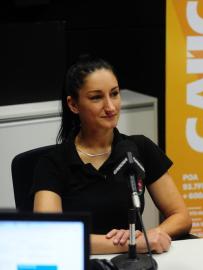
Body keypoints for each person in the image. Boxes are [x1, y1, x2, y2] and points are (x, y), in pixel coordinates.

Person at [32, 55, 192, 254]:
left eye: (114, 94)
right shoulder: (53, 162)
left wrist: (154, 234)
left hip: (134, 264)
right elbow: (49, 234)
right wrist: (132, 244)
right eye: (96, 97)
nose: (110, 107)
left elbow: (181, 216)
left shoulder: (139, 148)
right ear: (73, 105)